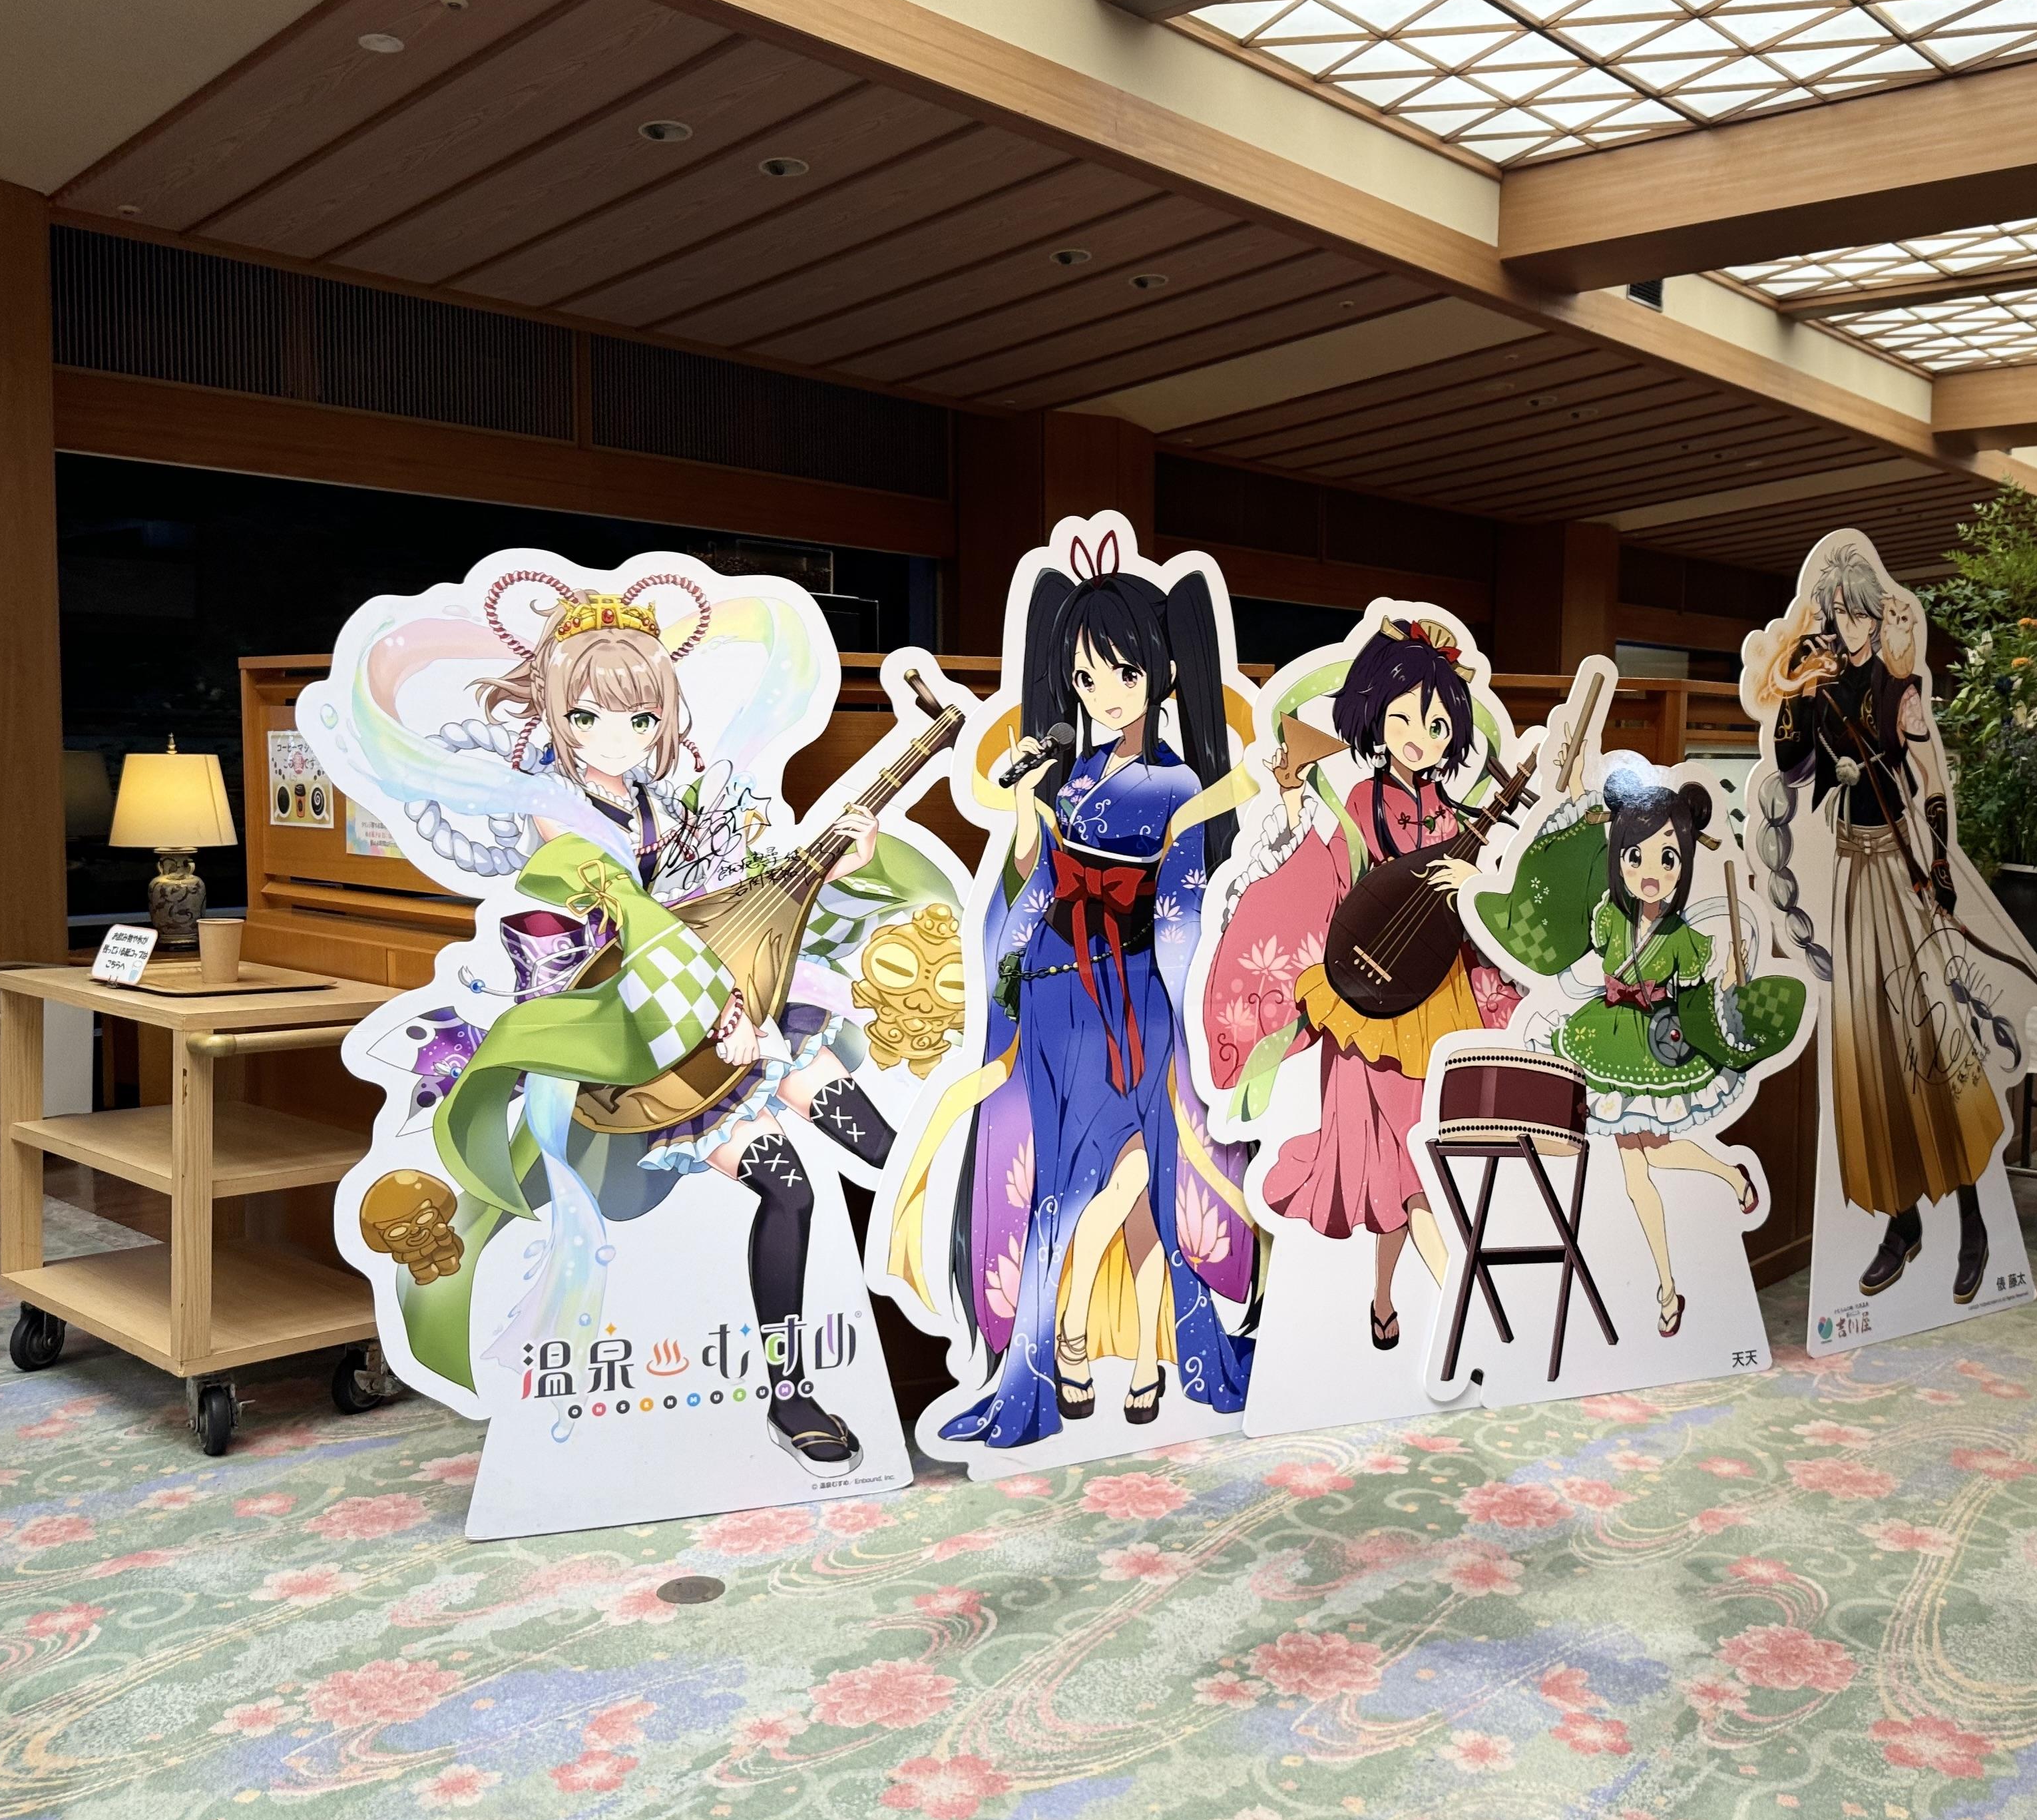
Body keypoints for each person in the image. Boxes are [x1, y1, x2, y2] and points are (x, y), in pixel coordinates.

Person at [423, 572, 906, 1475]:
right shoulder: (556, 815)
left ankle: (961, 1292)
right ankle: (789, 1393)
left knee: (880, 1141)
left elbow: (727, 900)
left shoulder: (658, 801)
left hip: (723, 992)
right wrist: (713, 1008)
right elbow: (637, 929)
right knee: (791, 1189)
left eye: (641, 718)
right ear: (558, 713)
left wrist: (835, 866)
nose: (619, 737)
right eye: (590, 717)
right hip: (631, 1035)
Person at [887, 539, 1255, 1447]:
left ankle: (1101, 1342)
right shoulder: (1075, 775)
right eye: (1088, 678)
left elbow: (1181, 896)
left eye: (1124, 673)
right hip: (1060, 993)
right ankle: (1073, 1357)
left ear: (1162, 674)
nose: (1104, 693)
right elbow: (1035, 872)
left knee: (1141, 1167)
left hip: (1134, 993)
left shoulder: (1175, 781)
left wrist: (1187, 988)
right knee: (1063, 1178)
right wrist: (1025, 800)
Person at [1206, 618, 1520, 1350]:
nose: (1419, 736)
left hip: (1439, 998)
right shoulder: (1360, 804)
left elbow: (1480, 910)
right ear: (1376, 716)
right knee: (1397, 1164)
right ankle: (1461, 1303)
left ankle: (1397, 1298)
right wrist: (1290, 803)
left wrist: (1473, 886)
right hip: (1368, 1000)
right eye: (1403, 718)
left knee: (1419, 1158)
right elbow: (1332, 883)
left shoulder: (1457, 815)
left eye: (1436, 725)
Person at [1749, 543, 2034, 1304]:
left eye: (1856, 613)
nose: (1846, 626)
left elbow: (1930, 774)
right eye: (1837, 613)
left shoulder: (1896, 686)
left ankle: (1973, 1219)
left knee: (1929, 1037)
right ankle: (1902, 1222)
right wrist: (1794, 690)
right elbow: (1793, 765)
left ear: (1875, 618)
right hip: (1850, 870)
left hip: (1900, 871)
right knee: (1867, 1047)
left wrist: (1939, 865)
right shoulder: (1821, 687)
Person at [1472, 769, 1805, 1338]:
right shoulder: (1609, 917)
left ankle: (1676, 1274)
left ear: (1684, 865)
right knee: (1644, 1161)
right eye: (1636, 856)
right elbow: (1587, 966)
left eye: (1668, 859)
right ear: (1619, 859)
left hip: (1653, 1045)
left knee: (1647, 1159)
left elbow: (1698, 994)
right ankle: (1686, 1254)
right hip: (1604, 1035)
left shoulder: (1682, 938)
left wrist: (1730, 978)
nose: (1651, 872)